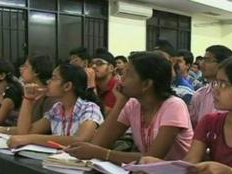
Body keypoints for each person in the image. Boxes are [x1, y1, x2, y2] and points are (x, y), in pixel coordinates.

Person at [0, 63, 104, 174]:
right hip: (55, 166)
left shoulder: (89, 108)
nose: (48, 82)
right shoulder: (57, 108)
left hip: (79, 173)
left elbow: (80, 140)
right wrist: (28, 99)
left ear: (67, 86)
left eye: (53, 78)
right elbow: (25, 132)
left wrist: (31, 139)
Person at [64, 51, 194, 164]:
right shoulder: (133, 104)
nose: (121, 78)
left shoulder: (174, 106)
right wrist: (120, 102)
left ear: (146, 84)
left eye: (128, 73)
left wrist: (103, 154)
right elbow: (99, 143)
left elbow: (151, 159)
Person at [0, 53, 57, 135]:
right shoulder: (28, 93)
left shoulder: (49, 98)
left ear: (36, 71)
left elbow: (26, 131)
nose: (21, 69)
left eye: (25, 66)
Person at [188, 45, 232, 127]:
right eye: (202, 60)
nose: (201, 64)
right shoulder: (199, 95)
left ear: (223, 63)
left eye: (207, 60)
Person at [91, 48, 119, 115]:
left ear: (111, 68)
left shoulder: (118, 87)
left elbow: (105, 114)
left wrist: (92, 87)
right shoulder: (93, 85)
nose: (93, 66)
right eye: (92, 63)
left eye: (99, 63)